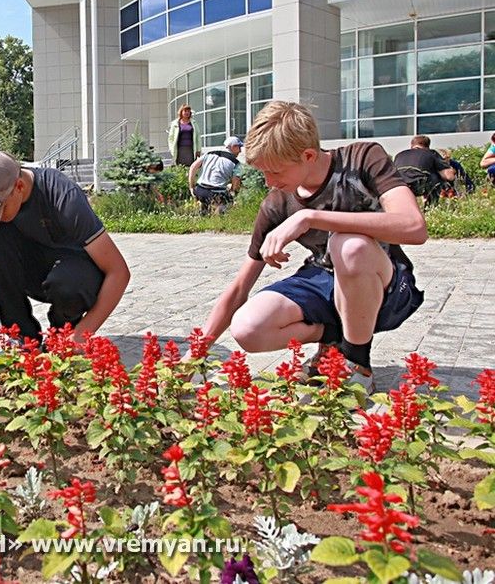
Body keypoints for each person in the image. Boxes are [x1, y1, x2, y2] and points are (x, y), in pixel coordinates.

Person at [197, 101, 426, 392]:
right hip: (323, 278)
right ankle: (333, 338)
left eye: (275, 172)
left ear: (307, 155)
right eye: (263, 173)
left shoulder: (363, 157)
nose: (269, 182)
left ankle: (357, 363)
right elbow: (240, 287)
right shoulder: (277, 202)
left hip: (385, 284)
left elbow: (414, 227)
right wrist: (196, 353)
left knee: (349, 245)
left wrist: (310, 217)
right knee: (247, 328)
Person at [0, 150, 130, 344]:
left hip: (73, 276)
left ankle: (61, 334)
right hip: (32, 272)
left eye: (0, 211)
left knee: (69, 285)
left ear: (19, 186)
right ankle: (20, 337)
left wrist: (80, 336)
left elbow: (118, 272)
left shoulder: (63, 196)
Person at [392, 135, 455, 206]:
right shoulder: (431, 153)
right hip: (419, 183)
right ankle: (431, 208)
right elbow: (449, 176)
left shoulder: (399, 155)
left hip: (398, 185)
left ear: (411, 145)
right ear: (427, 146)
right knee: (437, 176)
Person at [188, 136, 244, 214]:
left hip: (200, 190)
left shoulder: (208, 154)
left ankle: (203, 214)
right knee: (228, 202)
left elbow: (193, 167)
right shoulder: (236, 163)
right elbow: (236, 182)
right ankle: (219, 217)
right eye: (239, 147)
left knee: (204, 210)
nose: (240, 151)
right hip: (216, 193)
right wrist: (233, 192)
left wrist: (191, 187)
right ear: (233, 147)